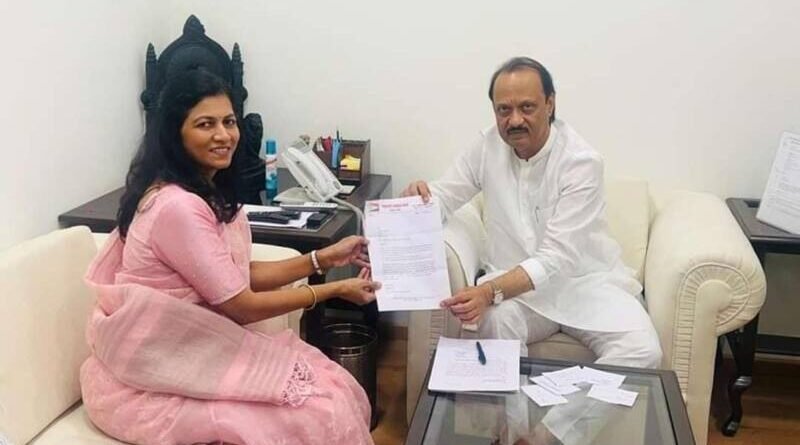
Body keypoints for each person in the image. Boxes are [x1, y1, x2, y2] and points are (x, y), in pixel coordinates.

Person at [80, 68, 380, 445]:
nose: (224, 135)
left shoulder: (202, 191)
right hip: (162, 365)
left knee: (334, 388)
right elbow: (241, 305)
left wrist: (324, 259)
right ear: (175, 133)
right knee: (321, 410)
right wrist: (333, 291)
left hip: (196, 346)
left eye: (229, 122)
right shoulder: (177, 208)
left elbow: (233, 276)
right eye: (205, 124)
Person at [402, 57, 662, 444]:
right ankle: (511, 436)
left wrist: (489, 290)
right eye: (503, 110)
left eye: (527, 107)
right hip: (518, 291)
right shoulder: (486, 146)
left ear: (550, 104)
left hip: (585, 284)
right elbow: (443, 196)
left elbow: (557, 258)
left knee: (643, 350)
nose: (515, 120)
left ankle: (545, 437)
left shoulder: (581, 161)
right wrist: (415, 203)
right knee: (494, 322)